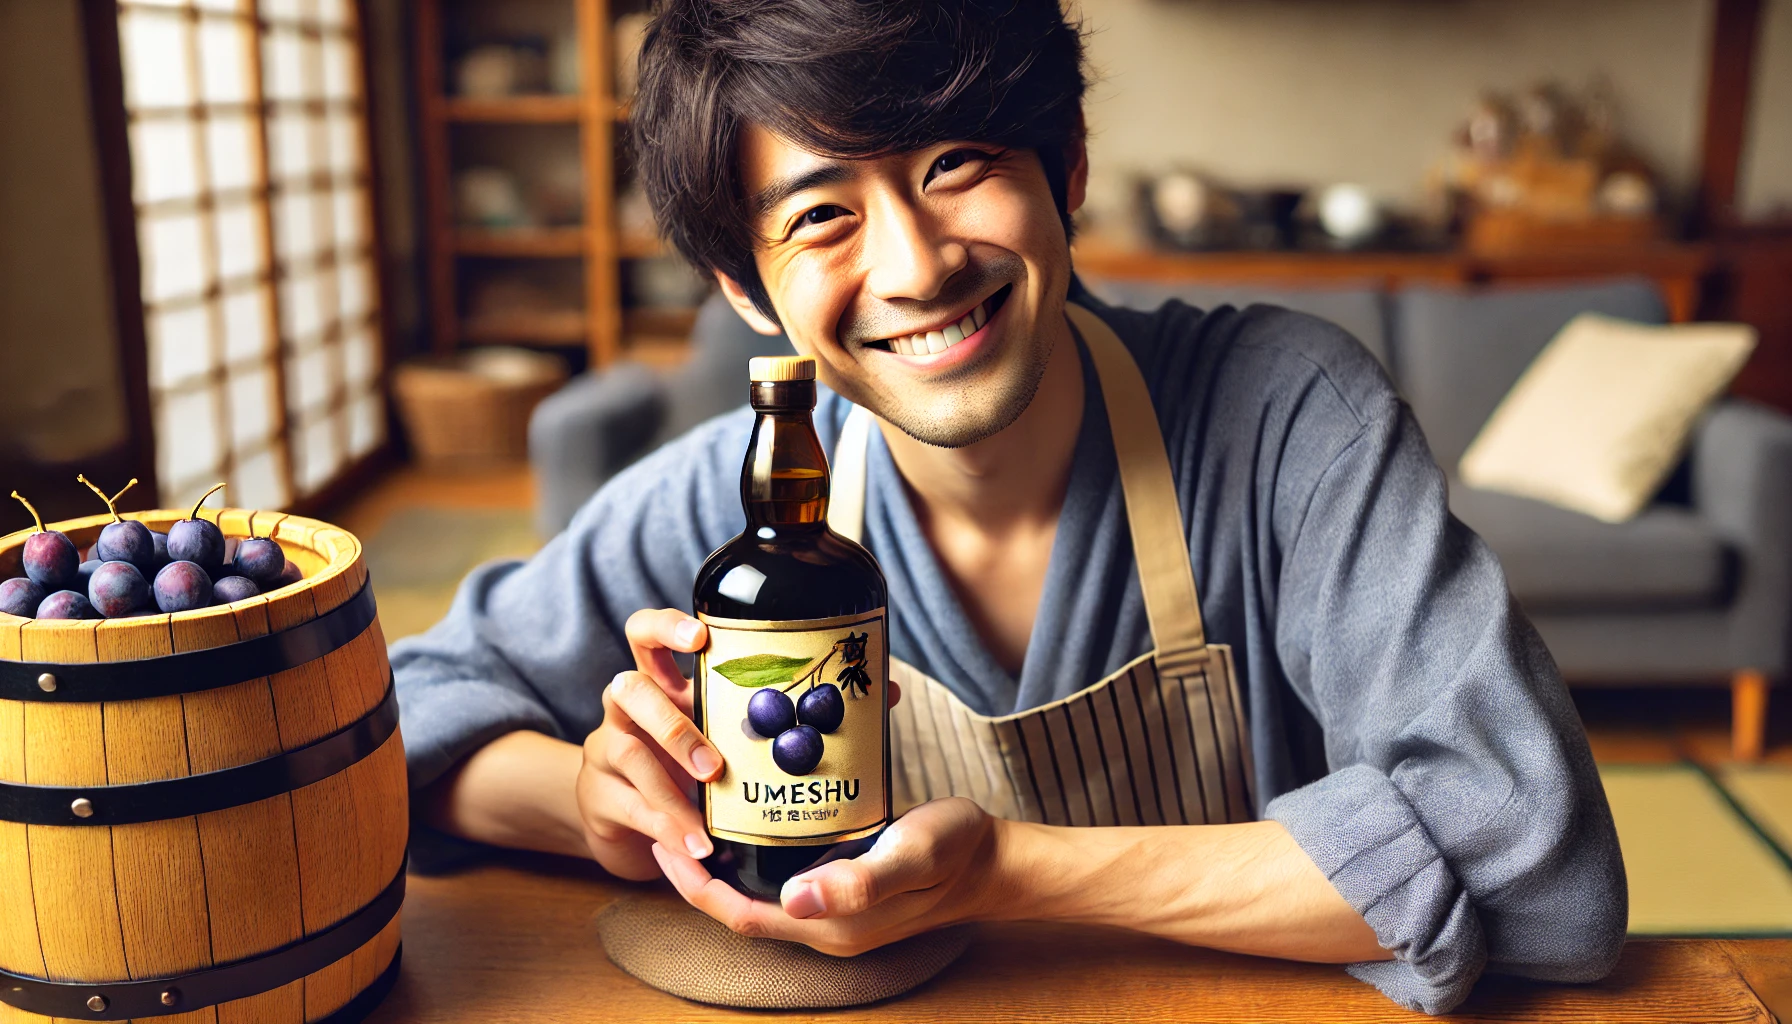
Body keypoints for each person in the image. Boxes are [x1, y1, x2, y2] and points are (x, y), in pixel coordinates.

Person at [392, 0, 1626, 1013]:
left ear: (1068, 166)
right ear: (747, 291)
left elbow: (1541, 874)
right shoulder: (735, 504)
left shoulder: (1288, 414)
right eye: (822, 216)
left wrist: (1008, 869)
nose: (917, 264)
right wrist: (598, 809)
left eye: (956, 167)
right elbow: (396, 719)